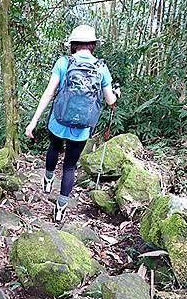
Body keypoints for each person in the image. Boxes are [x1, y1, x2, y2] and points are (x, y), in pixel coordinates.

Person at [25, 25, 118, 222]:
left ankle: (48, 179)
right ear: (93, 45)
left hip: (58, 121)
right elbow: (110, 101)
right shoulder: (101, 67)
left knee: (53, 147)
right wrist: (116, 93)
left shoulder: (63, 62)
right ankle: (60, 208)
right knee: (69, 167)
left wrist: (33, 122)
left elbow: (49, 93)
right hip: (82, 128)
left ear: (73, 44)